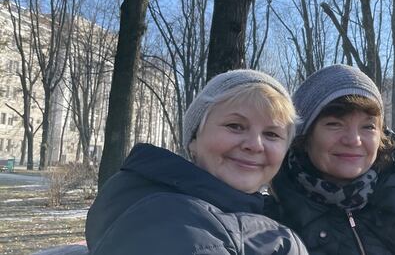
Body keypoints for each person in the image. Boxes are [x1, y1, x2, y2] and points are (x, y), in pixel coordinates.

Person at [85, 69, 308, 255]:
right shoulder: (168, 217)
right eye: (235, 126)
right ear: (193, 140)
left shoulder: (239, 213)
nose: (255, 144)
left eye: (272, 134)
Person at [271, 64, 395, 255]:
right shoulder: (272, 215)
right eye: (335, 124)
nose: (354, 140)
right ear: (304, 136)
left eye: (368, 126)